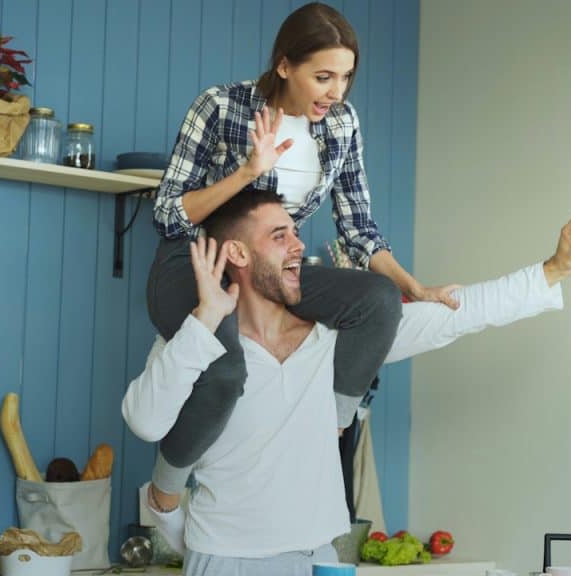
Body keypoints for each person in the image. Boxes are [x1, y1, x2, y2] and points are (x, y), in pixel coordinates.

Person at [123, 189, 571, 575]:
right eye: (279, 235)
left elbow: (455, 317)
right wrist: (207, 317)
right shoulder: (194, 340)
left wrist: (556, 268)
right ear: (237, 253)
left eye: (296, 232)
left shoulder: (334, 341)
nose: (297, 244)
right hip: (223, 560)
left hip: (320, 558)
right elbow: (145, 421)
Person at [146, 2, 460, 515]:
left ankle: (327, 423)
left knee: (379, 301)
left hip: (271, 270)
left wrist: (416, 288)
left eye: (345, 78)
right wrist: (249, 171)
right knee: (226, 370)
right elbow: (167, 214)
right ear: (285, 65)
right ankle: (166, 486)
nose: (336, 92)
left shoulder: (340, 125)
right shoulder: (221, 106)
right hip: (198, 261)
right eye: (323, 76)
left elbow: (358, 227)